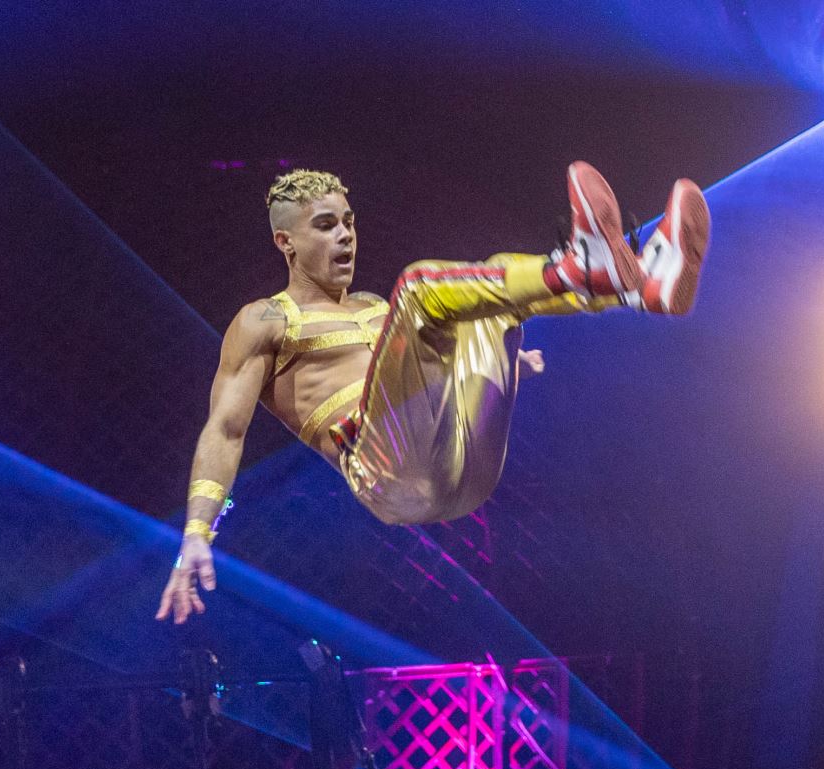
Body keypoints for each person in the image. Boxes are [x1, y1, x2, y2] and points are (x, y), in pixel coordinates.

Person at [157, 162, 710, 623]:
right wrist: (197, 533)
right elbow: (225, 430)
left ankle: (640, 287)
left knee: (485, 289)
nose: (345, 235)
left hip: (466, 474)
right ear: (286, 242)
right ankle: (584, 272)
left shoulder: (375, 309)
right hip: (384, 474)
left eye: (348, 222)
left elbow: (428, 376)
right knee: (424, 288)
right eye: (325, 226)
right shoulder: (265, 320)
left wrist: (506, 363)